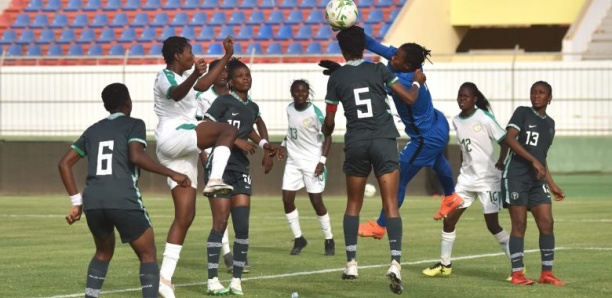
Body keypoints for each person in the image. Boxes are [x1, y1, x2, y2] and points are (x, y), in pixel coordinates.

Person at [58, 83, 192, 298]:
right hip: (122, 198)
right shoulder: (134, 124)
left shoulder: (93, 129)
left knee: (103, 252)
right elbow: (136, 156)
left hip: (93, 201)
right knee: (148, 255)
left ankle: (90, 296)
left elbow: (64, 163)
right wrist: (172, 173)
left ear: (106, 106)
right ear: (129, 103)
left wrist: (76, 201)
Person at [319, 25, 425, 295]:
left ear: (342, 50)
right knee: (390, 204)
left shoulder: (337, 79)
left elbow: (329, 122)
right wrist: (416, 81)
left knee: (353, 204)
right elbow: (409, 98)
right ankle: (395, 263)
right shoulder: (379, 69)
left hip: (356, 143)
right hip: (383, 140)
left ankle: (352, 263)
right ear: (363, 47)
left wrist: (327, 130)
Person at [354, 33, 465, 239]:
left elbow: (386, 85)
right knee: (438, 160)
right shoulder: (411, 64)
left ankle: (380, 226)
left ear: (406, 66)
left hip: (425, 138)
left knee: (398, 181)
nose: (392, 57)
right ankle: (450, 196)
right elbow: (374, 45)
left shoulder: (403, 81)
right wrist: (357, 32)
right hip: (439, 124)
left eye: (396, 58)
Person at [154, 36, 239, 298]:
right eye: (190, 51)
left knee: (185, 216)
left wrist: (226, 56)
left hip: (182, 151)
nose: (193, 55)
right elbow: (177, 93)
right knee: (226, 130)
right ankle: (214, 180)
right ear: (178, 55)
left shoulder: (189, 76)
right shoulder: (164, 76)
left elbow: (202, 84)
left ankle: (164, 279)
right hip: (173, 136)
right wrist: (194, 76)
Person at [203, 57, 276, 295]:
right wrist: (235, 140)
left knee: (242, 227)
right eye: (241, 76)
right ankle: (212, 279)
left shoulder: (252, 107)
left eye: (248, 75)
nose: (246, 78)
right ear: (232, 82)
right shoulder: (222, 102)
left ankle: (236, 280)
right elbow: (204, 129)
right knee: (220, 223)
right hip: (220, 169)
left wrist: (266, 146)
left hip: (241, 170)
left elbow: (253, 130)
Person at [422, 82, 511, 277]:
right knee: (449, 220)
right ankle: (445, 265)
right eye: (460, 96)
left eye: (466, 96)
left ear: (475, 99)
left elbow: (505, 141)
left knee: (492, 225)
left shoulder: (484, 118)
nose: (462, 99)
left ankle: (517, 266)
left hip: (488, 179)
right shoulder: (456, 120)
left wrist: (502, 161)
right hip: (466, 180)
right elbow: (465, 148)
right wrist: (464, 166)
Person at [503, 81, 565, 286]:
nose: (536, 95)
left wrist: (553, 184)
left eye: (541, 93)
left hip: (537, 181)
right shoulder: (522, 112)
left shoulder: (550, 124)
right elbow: (510, 139)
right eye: (533, 92)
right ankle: (517, 273)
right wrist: (532, 161)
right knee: (519, 225)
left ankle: (546, 273)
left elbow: (542, 157)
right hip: (516, 177)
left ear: (550, 98)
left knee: (547, 223)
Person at [276, 79, 335, 256]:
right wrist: (282, 145)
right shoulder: (289, 109)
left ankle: (329, 238)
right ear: (292, 93)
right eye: (297, 91)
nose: (300, 94)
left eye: (303, 91)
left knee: (316, 202)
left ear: (308, 93)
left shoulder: (315, 112)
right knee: (287, 199)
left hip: (312, 162)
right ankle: (299, 238)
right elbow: (291, 131)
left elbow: (328, 136)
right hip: (293, 162)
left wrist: (322, 161)